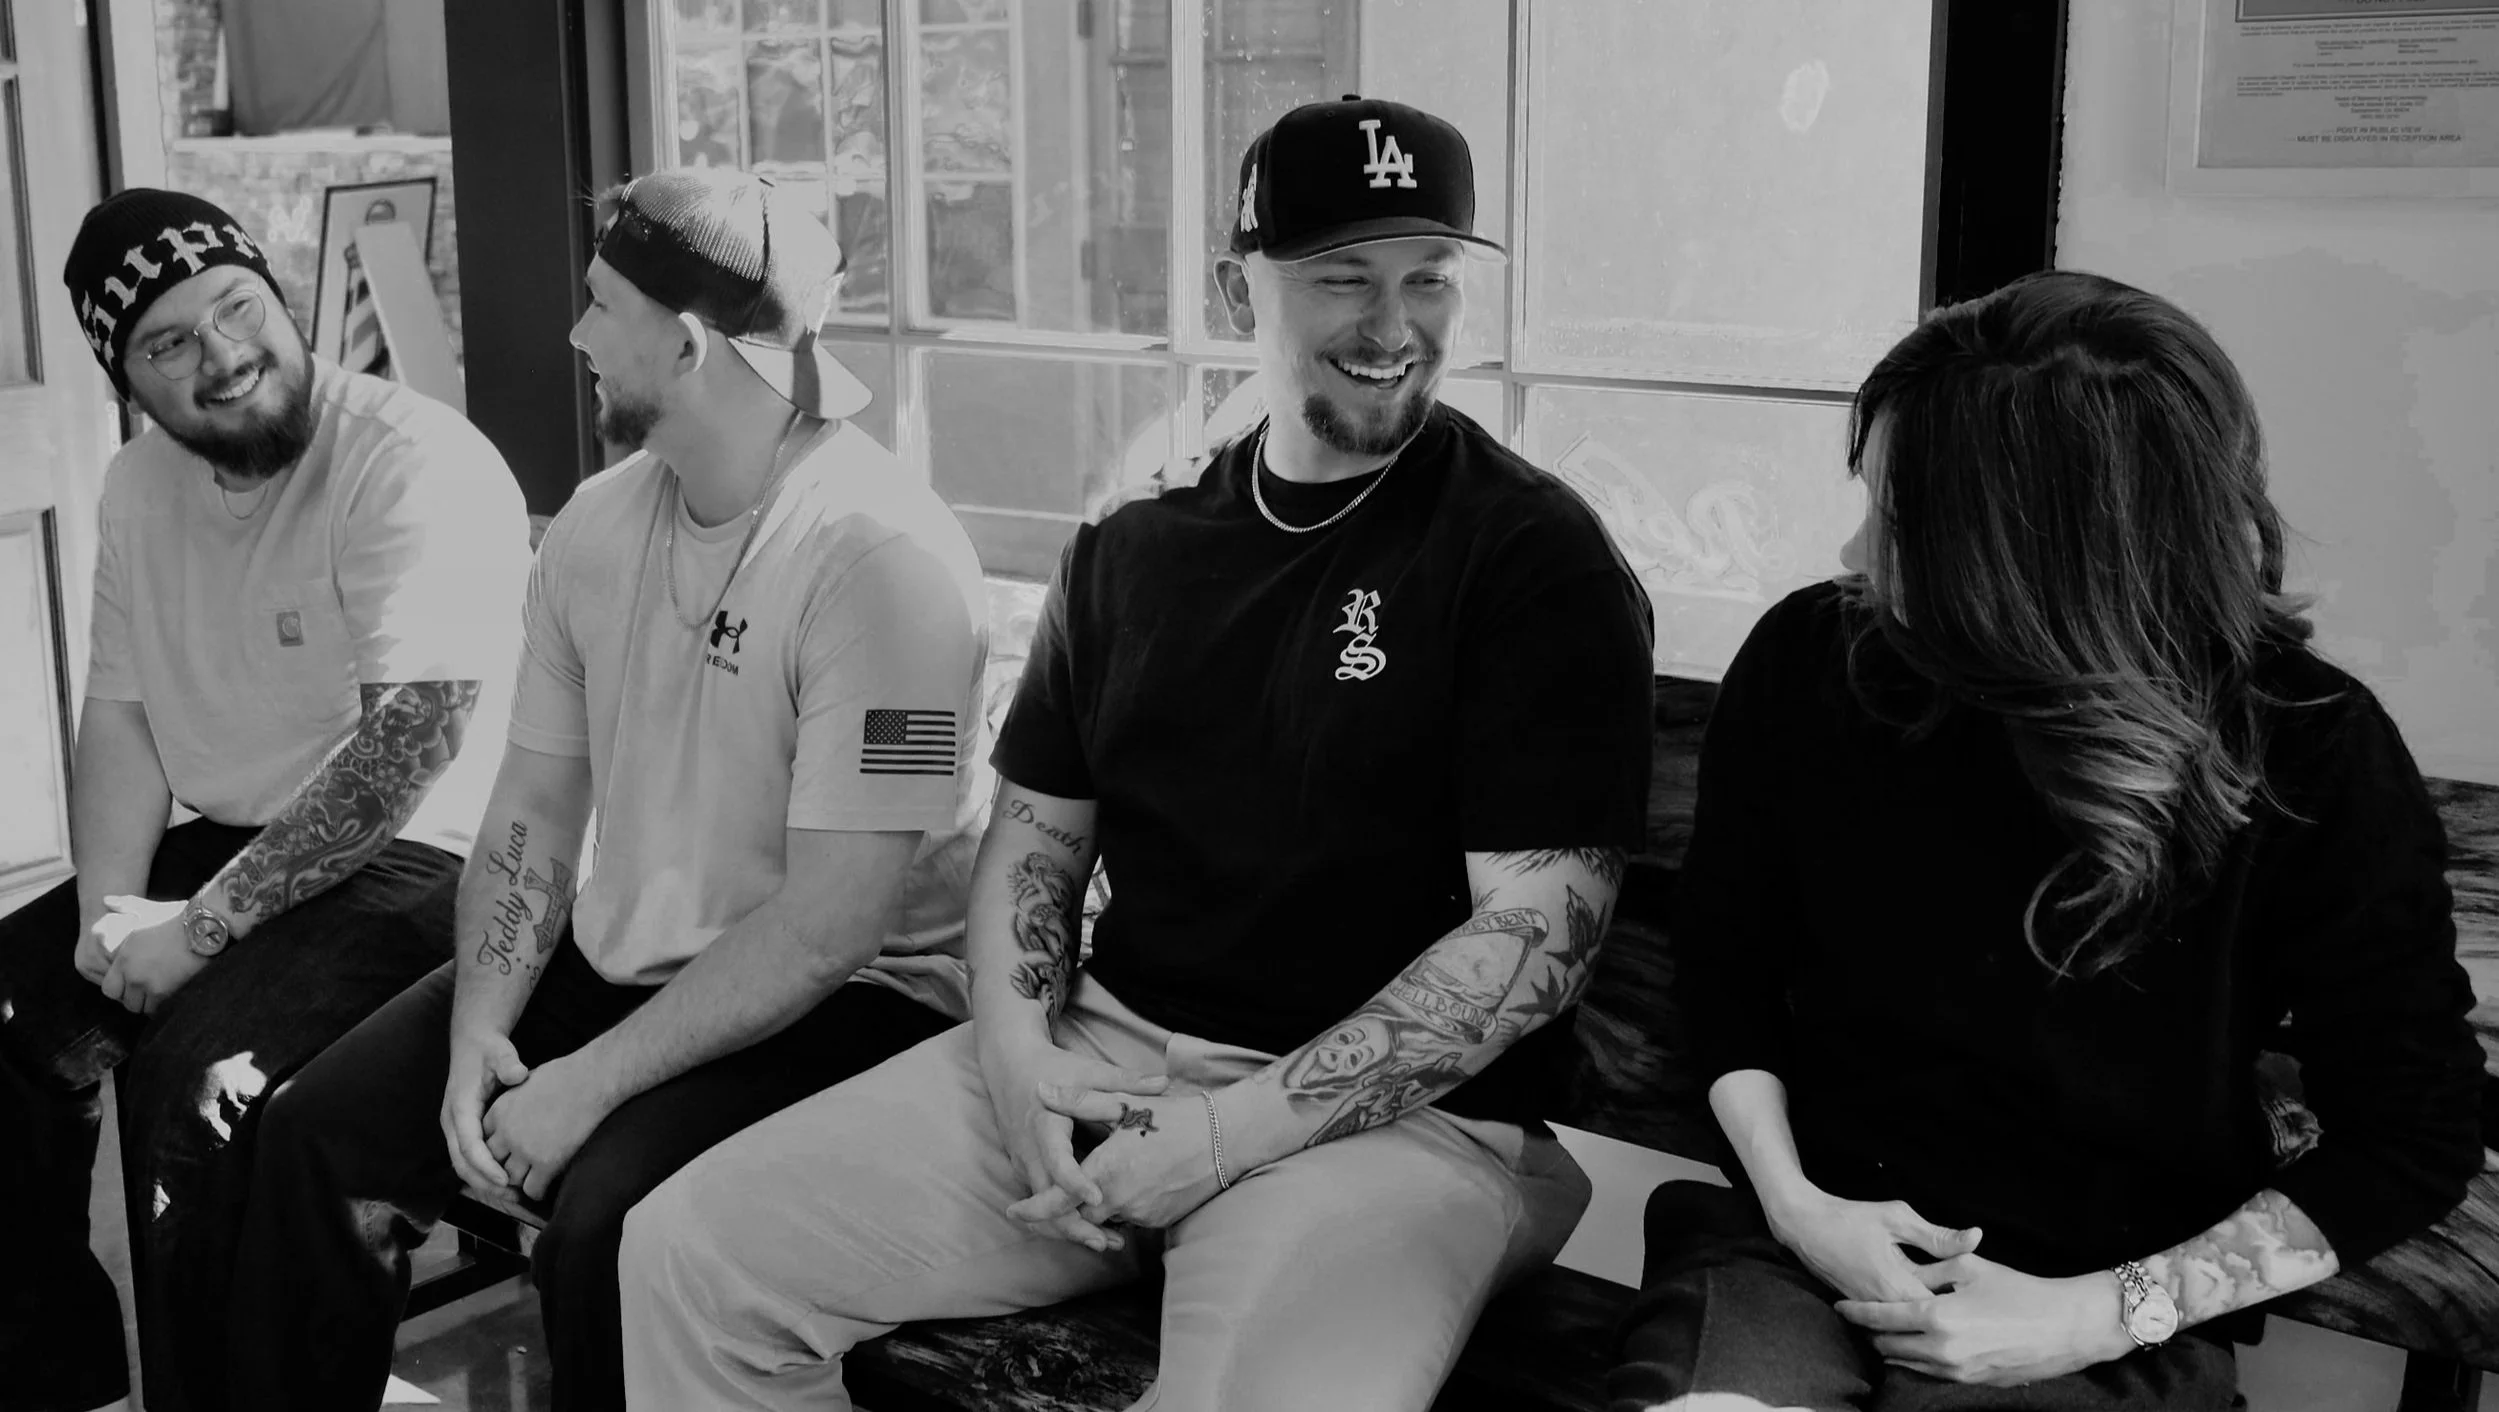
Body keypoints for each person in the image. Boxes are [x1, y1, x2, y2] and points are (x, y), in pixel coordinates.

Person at [618, 96, 1656, 1411]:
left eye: (1429, 279)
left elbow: (1535, 935)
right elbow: (1034, 841)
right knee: (691, 1257)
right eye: (1342, 278)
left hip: (1397, 1128)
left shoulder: (1529, 555)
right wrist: (1017, 1064)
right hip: (1105, 1054)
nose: (1393, 326)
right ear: (1237, 291)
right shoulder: (1136, 539)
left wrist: (1223, 1135)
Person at [1609, 270, 2488, 1412]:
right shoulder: (1814, 661)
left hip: (2100, 1310)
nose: (1857, 550)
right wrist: (1796, 1206)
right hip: (1795, 1250)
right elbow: (1724, 966)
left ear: (2031, 554)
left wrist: (2101, 1313)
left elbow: (2412, 1133)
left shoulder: (2306, 747)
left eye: (1901, 520)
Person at [221, 166, 990, 1412]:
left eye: (601, 305)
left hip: (857, 1001)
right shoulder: (595, 524)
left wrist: (588, 1081)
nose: (576, 334)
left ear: (686, 345)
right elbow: (533, 805)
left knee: (604, 1228)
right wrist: (482, 1027)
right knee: (319, 1134)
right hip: (628, 949)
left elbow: (834, 923)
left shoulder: (889, 565)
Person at [0, 188, 531, 1412]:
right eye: (169, 342)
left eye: (236, 307)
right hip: (244, 841)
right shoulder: (139, 486)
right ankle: (62, 1381)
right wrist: (107, 916)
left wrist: (195, 930)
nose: (223, 355)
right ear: (127, 381)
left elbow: (406, 754)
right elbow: (122, 712)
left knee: (200, 1087)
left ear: (283, 299)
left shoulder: (410, 458)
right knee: (11, 1017)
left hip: (435, 854)